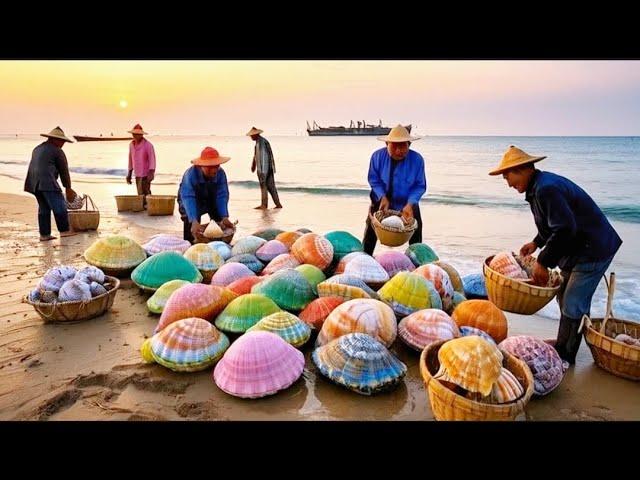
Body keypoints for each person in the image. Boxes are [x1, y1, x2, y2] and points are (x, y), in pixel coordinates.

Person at [489, 145, 623, 364]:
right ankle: (565, 344)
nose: (508, 183)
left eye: (508, 177)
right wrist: (536, 242)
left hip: (593, 249)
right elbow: (555, 225)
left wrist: (543, 262)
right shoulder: (538, 187)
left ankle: (566, 356)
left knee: (573, 301)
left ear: (522, 169)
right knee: (566, 298)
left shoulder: (545, 189)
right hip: (578, 247)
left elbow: (565, 228)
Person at [362, 124, 427, 255]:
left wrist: (410, 203)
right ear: (387, 143)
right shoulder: (377, 157)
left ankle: (418, 265)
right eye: (394, 146)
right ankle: (365, 259)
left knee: (416, 233)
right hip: (380, 199)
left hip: (408, 201)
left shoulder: (417, 160)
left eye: (403, 145)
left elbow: (419, 185)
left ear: (409, 144)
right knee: (370, 232)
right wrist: (382, 196)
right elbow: (374, 179)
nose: (398, 150)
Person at [24, 126, 78, 241]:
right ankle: (64, 231)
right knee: (59, 206)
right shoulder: (57, 151)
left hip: (33, 181)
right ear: (55, 139)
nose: (63, 143)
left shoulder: (37, 148)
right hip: (46, 180)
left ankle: (44, 234)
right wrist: (68, 188)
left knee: (43, 208)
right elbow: (64, 171)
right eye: (62, 141)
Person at [177, 147, 235, 243]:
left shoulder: (220, 173)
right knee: (191, 230)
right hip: (189, 200)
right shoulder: (190, 175)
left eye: (216, 166)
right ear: (201, 166)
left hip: (211, 198)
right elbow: (188, 197)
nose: (214, 170)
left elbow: (222, 194)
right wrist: (194, 220)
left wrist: (224, 216)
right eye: (210, 167)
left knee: (220, 225)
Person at [247, 127, 282, 209]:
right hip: (268, 168)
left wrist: (263, 172)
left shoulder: (262, 143)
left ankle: (264, 205)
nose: (251, 137)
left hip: (264, 169)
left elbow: (264, 158)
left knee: (264, 186)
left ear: (256, 134)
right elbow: (255, 155)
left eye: (252, 135)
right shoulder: (259, 143)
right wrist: (253, 165)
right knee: (271, 187)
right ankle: (278, 204)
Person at [125, 123, 156, 208]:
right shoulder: (131, 145)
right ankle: (144, 208)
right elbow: (130, 159)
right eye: (134, 134)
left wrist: (151, 171)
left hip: (146, 173)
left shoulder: (148, 145)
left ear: (141, 135)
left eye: (137, 134)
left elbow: (152, 159)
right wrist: (129, 173)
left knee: (146, 191)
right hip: (137, 172)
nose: (135, 135)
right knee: (140, 192)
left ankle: (149, 207)